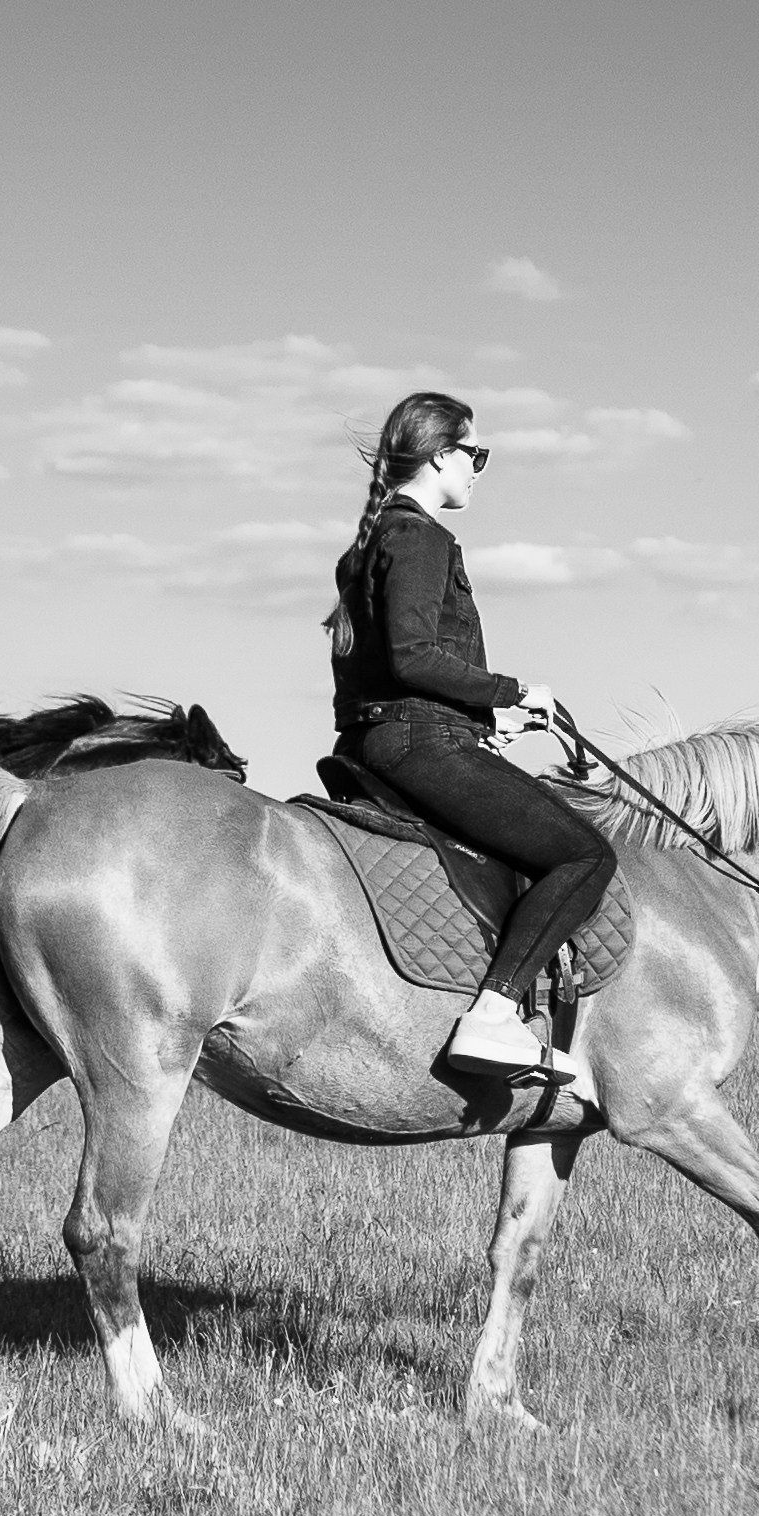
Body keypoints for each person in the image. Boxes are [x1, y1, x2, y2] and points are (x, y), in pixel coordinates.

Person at [324, 391, 617, 1081]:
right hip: (418, 744)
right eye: (474, 454)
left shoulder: (370, 542)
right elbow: (412, 658)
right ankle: (493, 1015)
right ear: (438, 455)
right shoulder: (421, 537)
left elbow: (391, 675)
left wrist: (488, 721)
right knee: (585, 856)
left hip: (386, 739)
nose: (478, 470)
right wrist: (514, 691)